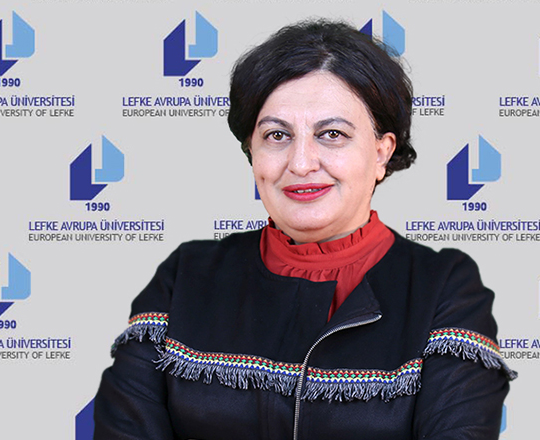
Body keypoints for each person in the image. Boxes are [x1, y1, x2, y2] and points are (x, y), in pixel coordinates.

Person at [94, 19, 515, 439]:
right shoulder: (186, 275)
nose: (300, 163)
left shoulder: (443, 287)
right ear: (252, 151)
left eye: (332, 134)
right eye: (277, 135)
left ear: (381, 152)